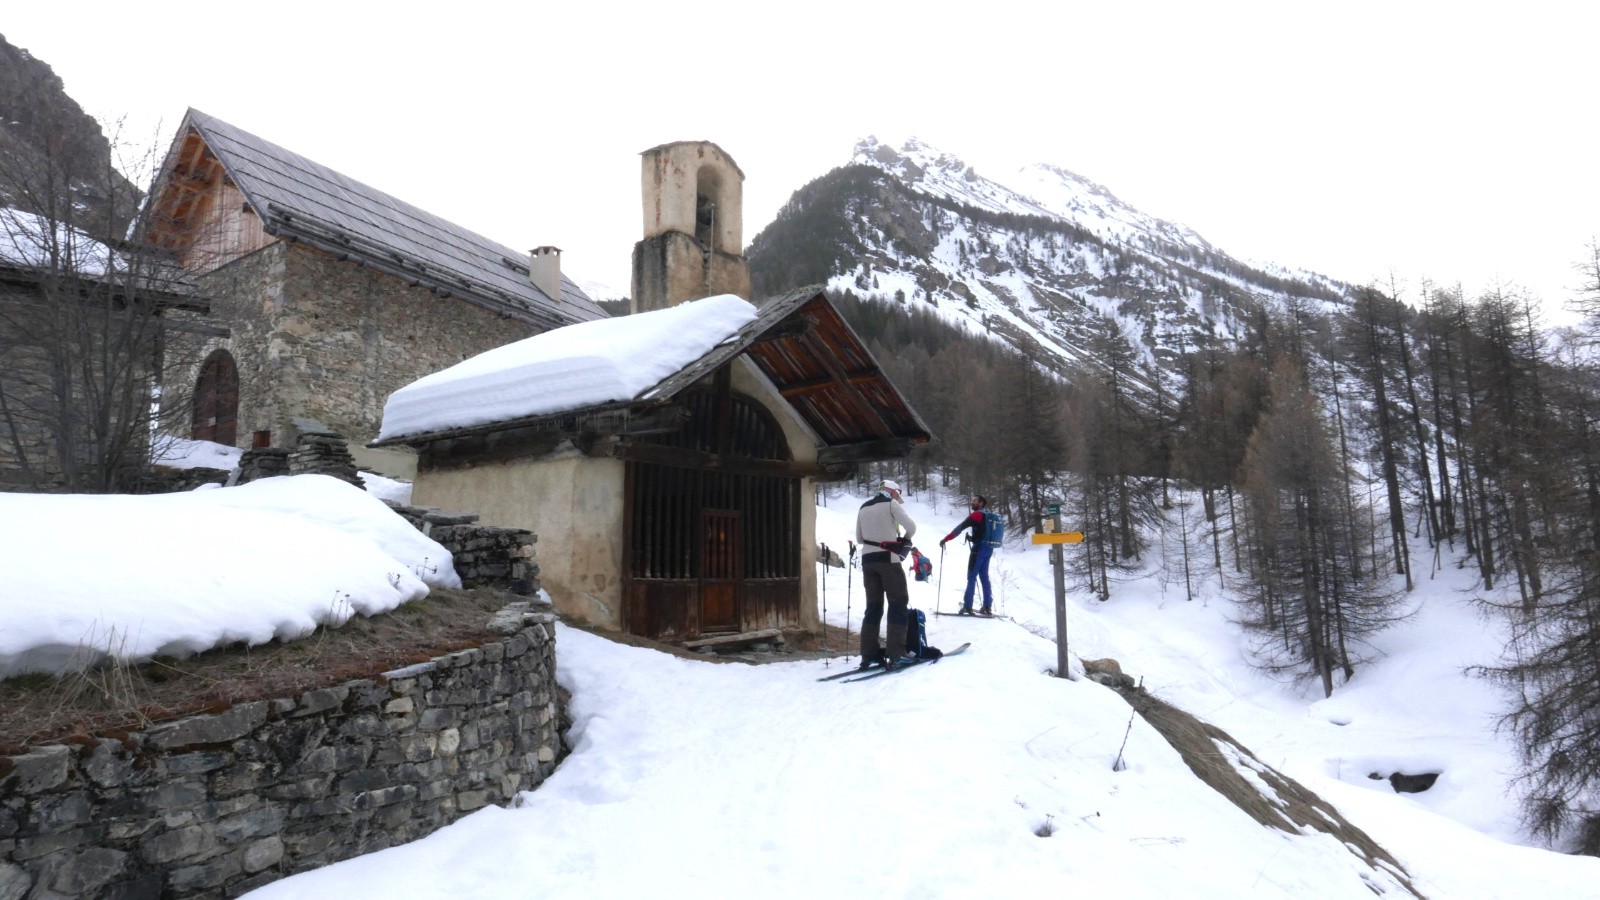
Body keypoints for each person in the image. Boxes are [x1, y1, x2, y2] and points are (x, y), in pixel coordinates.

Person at [855, 478, 917, 670]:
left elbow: (859, 538)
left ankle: (869, 654)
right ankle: (897, 653)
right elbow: (912, 527)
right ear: (892, 491)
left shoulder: (863, 507)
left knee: (873, 607)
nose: (898, 499)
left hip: (867, 561)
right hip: (889, 559)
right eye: (897, 495)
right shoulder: (890, 504)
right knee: (898, 602)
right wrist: (902, 540)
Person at [940, 495, 994, 615]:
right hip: (988, 549)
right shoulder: (988, 516)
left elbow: (960, 527)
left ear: (981, 503)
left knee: (971, 576)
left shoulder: (976, 515)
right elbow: (982, 532)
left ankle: (968, 606)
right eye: (972, 500)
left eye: (975, 501)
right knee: (984, 577)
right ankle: (987, 606)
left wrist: (946, 539)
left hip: (978, 549)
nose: (972, 502)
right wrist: (973, 538)